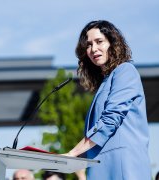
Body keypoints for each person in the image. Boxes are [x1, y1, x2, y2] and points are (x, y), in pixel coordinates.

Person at [62, 20, 151, 179]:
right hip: (101, 166)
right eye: (88, 45)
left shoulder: (125, 71)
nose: (93, 49)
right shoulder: (105, 82)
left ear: (113, 43)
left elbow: (110, 121)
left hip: (122, 166)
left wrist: (73, 152)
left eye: (99, 41)